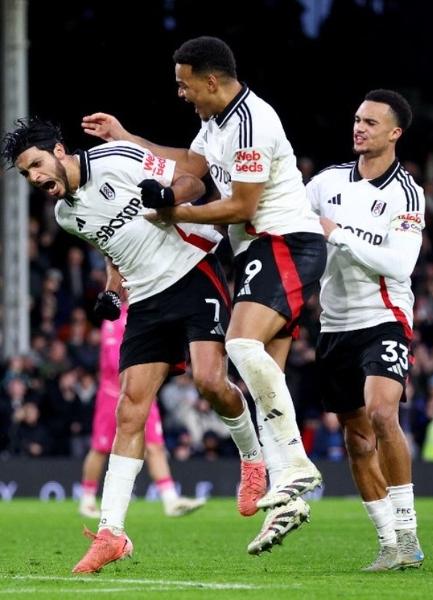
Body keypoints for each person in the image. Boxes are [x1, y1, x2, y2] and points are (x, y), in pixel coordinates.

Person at [82, 35, 326, 555]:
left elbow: (240, 205)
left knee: (239, 348)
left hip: (283, 242)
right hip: (258, 252)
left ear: (210, 80)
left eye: (184, 84)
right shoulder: (216, 121)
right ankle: (285, 495)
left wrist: (177, 214)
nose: (181, 94)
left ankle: (298, 466)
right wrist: (129, 138)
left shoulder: (251, 123)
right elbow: (189, 169)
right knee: (266, 378)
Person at [1, 117, 266, 573]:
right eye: (26, 174)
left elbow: (189, 178)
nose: (35, 178)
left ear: (59, 151)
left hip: (191, 269)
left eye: (37, 165)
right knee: (129, 408)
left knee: (209, 380)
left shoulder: (115, 158)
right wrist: (112, 289)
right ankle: (111, 533)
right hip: (144, 299)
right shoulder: (67, 215)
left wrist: (169, 196)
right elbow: (112, 247)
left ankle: (253, 459)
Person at [306, 89, 425, 571]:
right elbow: (283, 213)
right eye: (357, 119)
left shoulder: (406, 193)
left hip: (384, 316)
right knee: (356, 438)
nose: (359, 128)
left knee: (381, 412)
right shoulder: (327, 183)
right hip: (334, 324)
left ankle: (409, 532)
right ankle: (388, 542)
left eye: (371, 122)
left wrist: (339, 236)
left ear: (395, 132)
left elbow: (401, 263)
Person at [79, 302, 205, 519]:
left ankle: (170, 500)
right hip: (113, 394)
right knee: (100, 447)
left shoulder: (148, 310)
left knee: (155, 445)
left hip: (145, 391)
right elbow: (112, 359)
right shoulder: (115, 315)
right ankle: (87, 499)